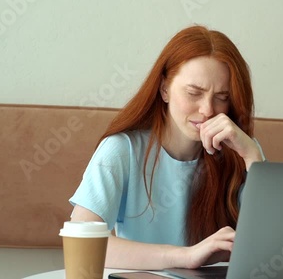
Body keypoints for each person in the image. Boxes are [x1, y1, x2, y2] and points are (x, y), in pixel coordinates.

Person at [69, 25, 265, 270]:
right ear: (164, 89)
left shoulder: (242, 152)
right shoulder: (122, 150)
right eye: (194, 93)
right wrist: (187, 256)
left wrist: (253, 157)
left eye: (222, 97)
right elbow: (82, 241)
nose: (207, 110)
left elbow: (274, 246)